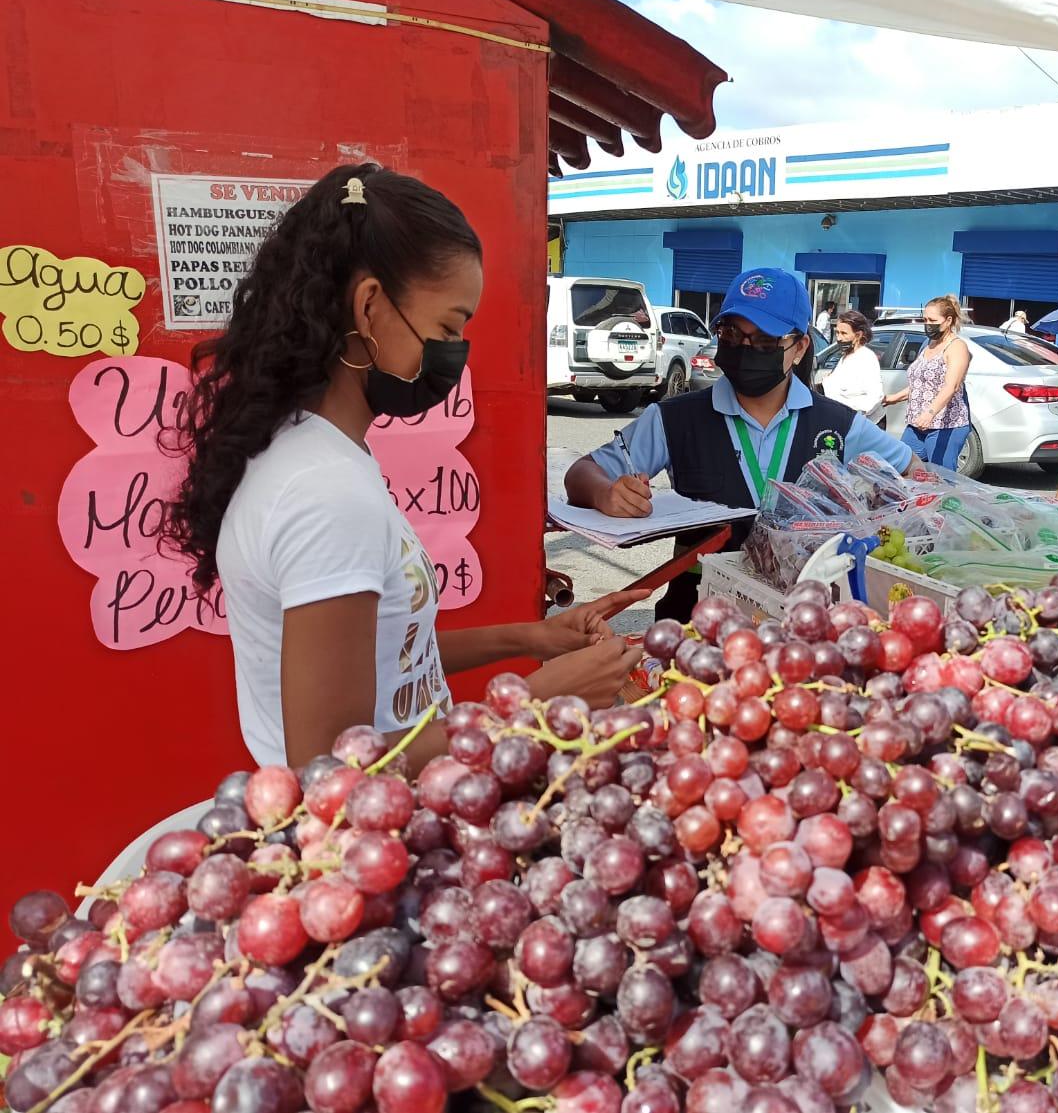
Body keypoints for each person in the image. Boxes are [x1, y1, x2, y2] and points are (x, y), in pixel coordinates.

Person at [163, 163, 644, 768]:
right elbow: (329, 771)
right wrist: (537, 705)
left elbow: (385, 649)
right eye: (448, 327)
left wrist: (531, 637)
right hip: (368, 824)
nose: (455, 354)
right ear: (369, 307)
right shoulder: (326, 494)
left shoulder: (318, 453)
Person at [564, 267, 914, 621]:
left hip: (801, 629)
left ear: (799, 348)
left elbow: (913, 473)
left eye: (764, 341)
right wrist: (604, 493)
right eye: (732, 334)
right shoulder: (673, 419)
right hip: (693, 625)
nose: (746, 349)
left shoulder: (839, 426)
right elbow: (582, 473)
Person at [885, 294, 973, 470]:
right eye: (925, 320)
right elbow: (922, 384)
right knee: (901, 468)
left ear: (948, 321)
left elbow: (952, 386)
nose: (927, 324)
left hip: (945, 425)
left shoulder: (956, 347)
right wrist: (894, 398)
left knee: (942, 477)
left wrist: (930, 413)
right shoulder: (929, 343)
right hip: (917, 424)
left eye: (932, 320)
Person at [820, 309, 884, 421]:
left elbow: (875, 397)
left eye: (844, 333)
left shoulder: (866, 358)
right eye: (837, 333)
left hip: (858, 423)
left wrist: (851, 415)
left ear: (858, 335)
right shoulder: (845, 357)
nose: (839, 338)